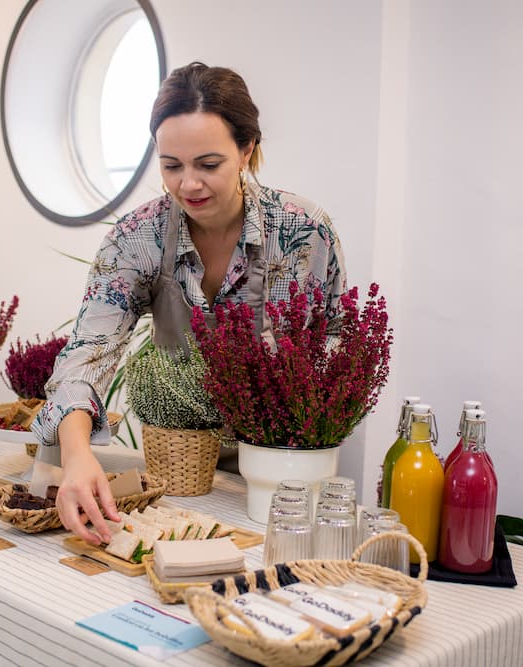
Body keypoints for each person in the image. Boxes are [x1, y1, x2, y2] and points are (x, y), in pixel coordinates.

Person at [31, 62, 348, 545]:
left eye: (208, 164)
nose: (189, 185)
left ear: (247, 150)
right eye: (171, 166)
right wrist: (77, 457)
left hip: (286, 466)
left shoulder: (305, 231)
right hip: (179, 466)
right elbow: (87, 353)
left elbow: (338, 350)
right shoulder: (137, 238)